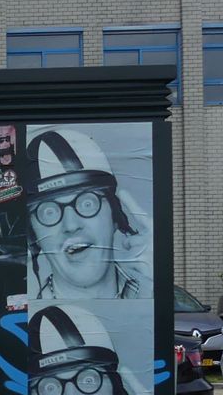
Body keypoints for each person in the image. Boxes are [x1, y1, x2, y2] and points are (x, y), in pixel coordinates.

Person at [26, 128, 148, 299]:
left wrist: (159, 274)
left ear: (115, 217)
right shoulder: (24, 311)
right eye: (48, 211)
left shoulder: (150, 291)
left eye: (87, 203)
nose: (71, 225)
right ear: (34, 236)